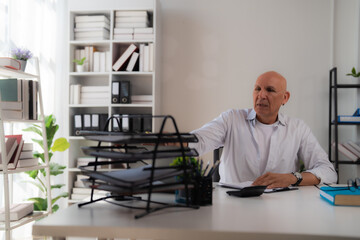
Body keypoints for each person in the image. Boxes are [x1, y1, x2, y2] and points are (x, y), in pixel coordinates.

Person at [189, 71, 337, 188]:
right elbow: (198, 141)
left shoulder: (298, 128)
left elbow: (328, 172)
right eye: (257, 89)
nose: (261, 95)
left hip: (281, 206)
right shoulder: (231, 119)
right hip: (233, 205)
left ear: (285, 97)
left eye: (270, 90)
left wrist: (292, 178)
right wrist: (173, 141)